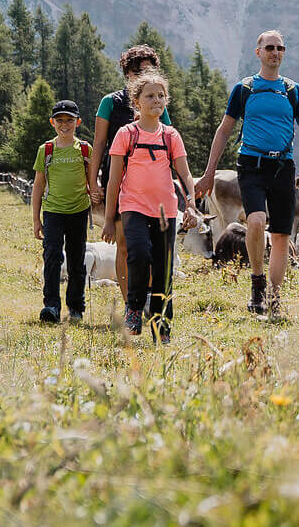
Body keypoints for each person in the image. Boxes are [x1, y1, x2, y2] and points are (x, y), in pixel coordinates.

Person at [195, 30, 299, 315]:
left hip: (283, 167)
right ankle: (257, 282)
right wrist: (208, 172)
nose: (275, 52)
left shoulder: (293, 90)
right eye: (269, 48)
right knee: (255, 221)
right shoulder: (245, 88)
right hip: (251, 164)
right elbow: (225, 129)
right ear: (258, 52)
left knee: (280, 235)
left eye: (280, 48)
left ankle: (275, 297)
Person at [101, 71, 197, 342]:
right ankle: (133, 307)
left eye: (161, 95)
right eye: (150, 96)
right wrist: (110, 219)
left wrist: (190, 202)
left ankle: (161, 327)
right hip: (133, 207)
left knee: (164, 268)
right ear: (136, 102)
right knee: (139, 254)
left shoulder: (171, 136)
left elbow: (185, 174)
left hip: (166, 211)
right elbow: (113, 181)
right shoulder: (126, 135)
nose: (157, 100)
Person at [95, 45, 174, 302]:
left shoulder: (157, 101)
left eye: (151, 70)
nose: (145, 75)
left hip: (152, 184)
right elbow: (99, 145)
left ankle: (149, 297)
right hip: (118, 181)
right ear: (128, 73)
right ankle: (131, 302)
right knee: (125, 244)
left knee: (150, 245)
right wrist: (92, 181)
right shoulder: (110, 102)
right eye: (140, 71)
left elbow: (170, 144)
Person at [32, 99, 104, 324]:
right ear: (53, 122)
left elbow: (92, 181)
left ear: (78, 122)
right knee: (52, 257)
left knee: (76, 260)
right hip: (53, 212)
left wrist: (96, 193)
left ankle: (75, 307)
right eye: (60, 120)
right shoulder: (46, 150)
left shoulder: (85, 149)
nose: (65, 125)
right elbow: (38, 185)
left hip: (79, 212)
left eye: (70, 120)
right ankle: (51, 306)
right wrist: (36, 219)